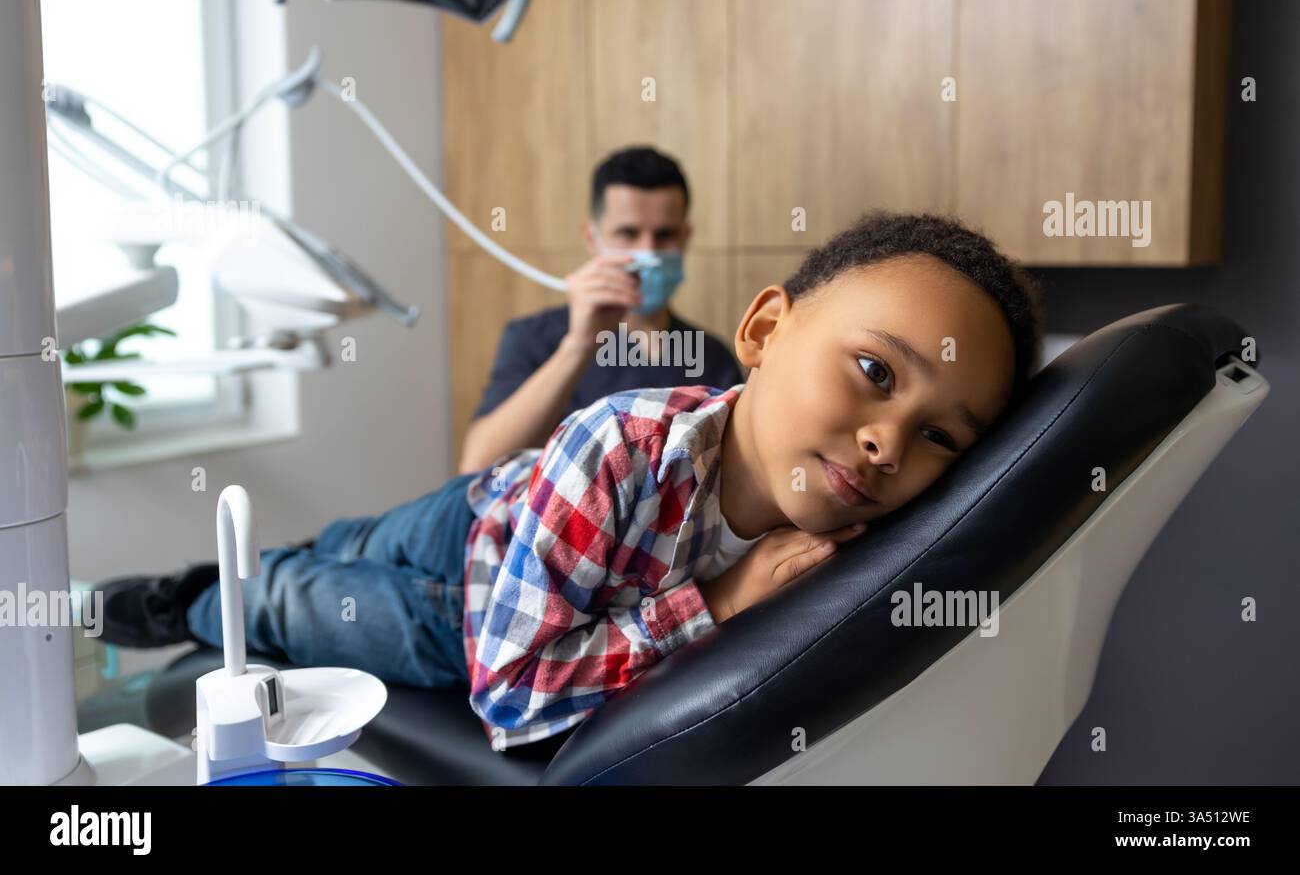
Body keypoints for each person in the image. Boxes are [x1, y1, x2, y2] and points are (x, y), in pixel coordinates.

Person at [97, 210, 1045, 752]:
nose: (886, 442)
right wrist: (711, 602)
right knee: (309, 577)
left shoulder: (858, 541)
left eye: (938, 436)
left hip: (493, 609)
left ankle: (205, 595)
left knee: (296, 597)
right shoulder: (622, 444)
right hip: (471, 540)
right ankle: (176, 601)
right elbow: (513, 700)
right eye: (875, 372)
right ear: (761, 333)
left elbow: (514, 665)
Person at [458, 145, 746, 474]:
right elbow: (478, 469)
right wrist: (579, 346)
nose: (647, 252)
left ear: (685, 237)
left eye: (664, 235)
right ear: (593, 238)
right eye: (628, 233)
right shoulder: (533, 339)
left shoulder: (711, 357)